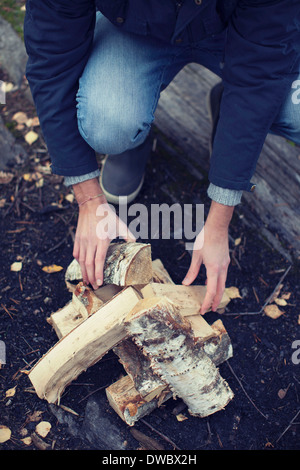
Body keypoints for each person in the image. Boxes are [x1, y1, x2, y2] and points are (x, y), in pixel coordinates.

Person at [24, 0, 300, 314]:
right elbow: (51, 61)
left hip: (236, 28)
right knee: (107, 124)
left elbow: (260, 76)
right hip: (138, 29)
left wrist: (219, 221)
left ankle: (228, 114)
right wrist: (88, 200)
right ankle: (132, 138)